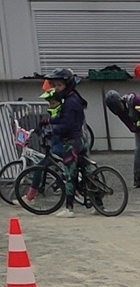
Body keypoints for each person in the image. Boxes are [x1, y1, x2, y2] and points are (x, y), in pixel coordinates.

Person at [44, 69, 87, 218]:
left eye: (59, 85)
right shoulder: (73, 98)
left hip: (71, 142)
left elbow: (67, 125)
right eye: (55, 85)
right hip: (80, 139)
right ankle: (98, 205)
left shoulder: (70, 102)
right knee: (87, 173)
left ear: (67, 85)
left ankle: (69, 209)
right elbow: (62, 118)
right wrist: (49, 121)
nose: (56, 88)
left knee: (70, 175)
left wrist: (52, 130)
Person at [104, 90, 140, 189]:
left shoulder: (135, 100)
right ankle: (137, 179)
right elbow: (131, 127)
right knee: (139, 150)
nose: (120, 110)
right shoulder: (119, 112)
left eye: (119, 106)